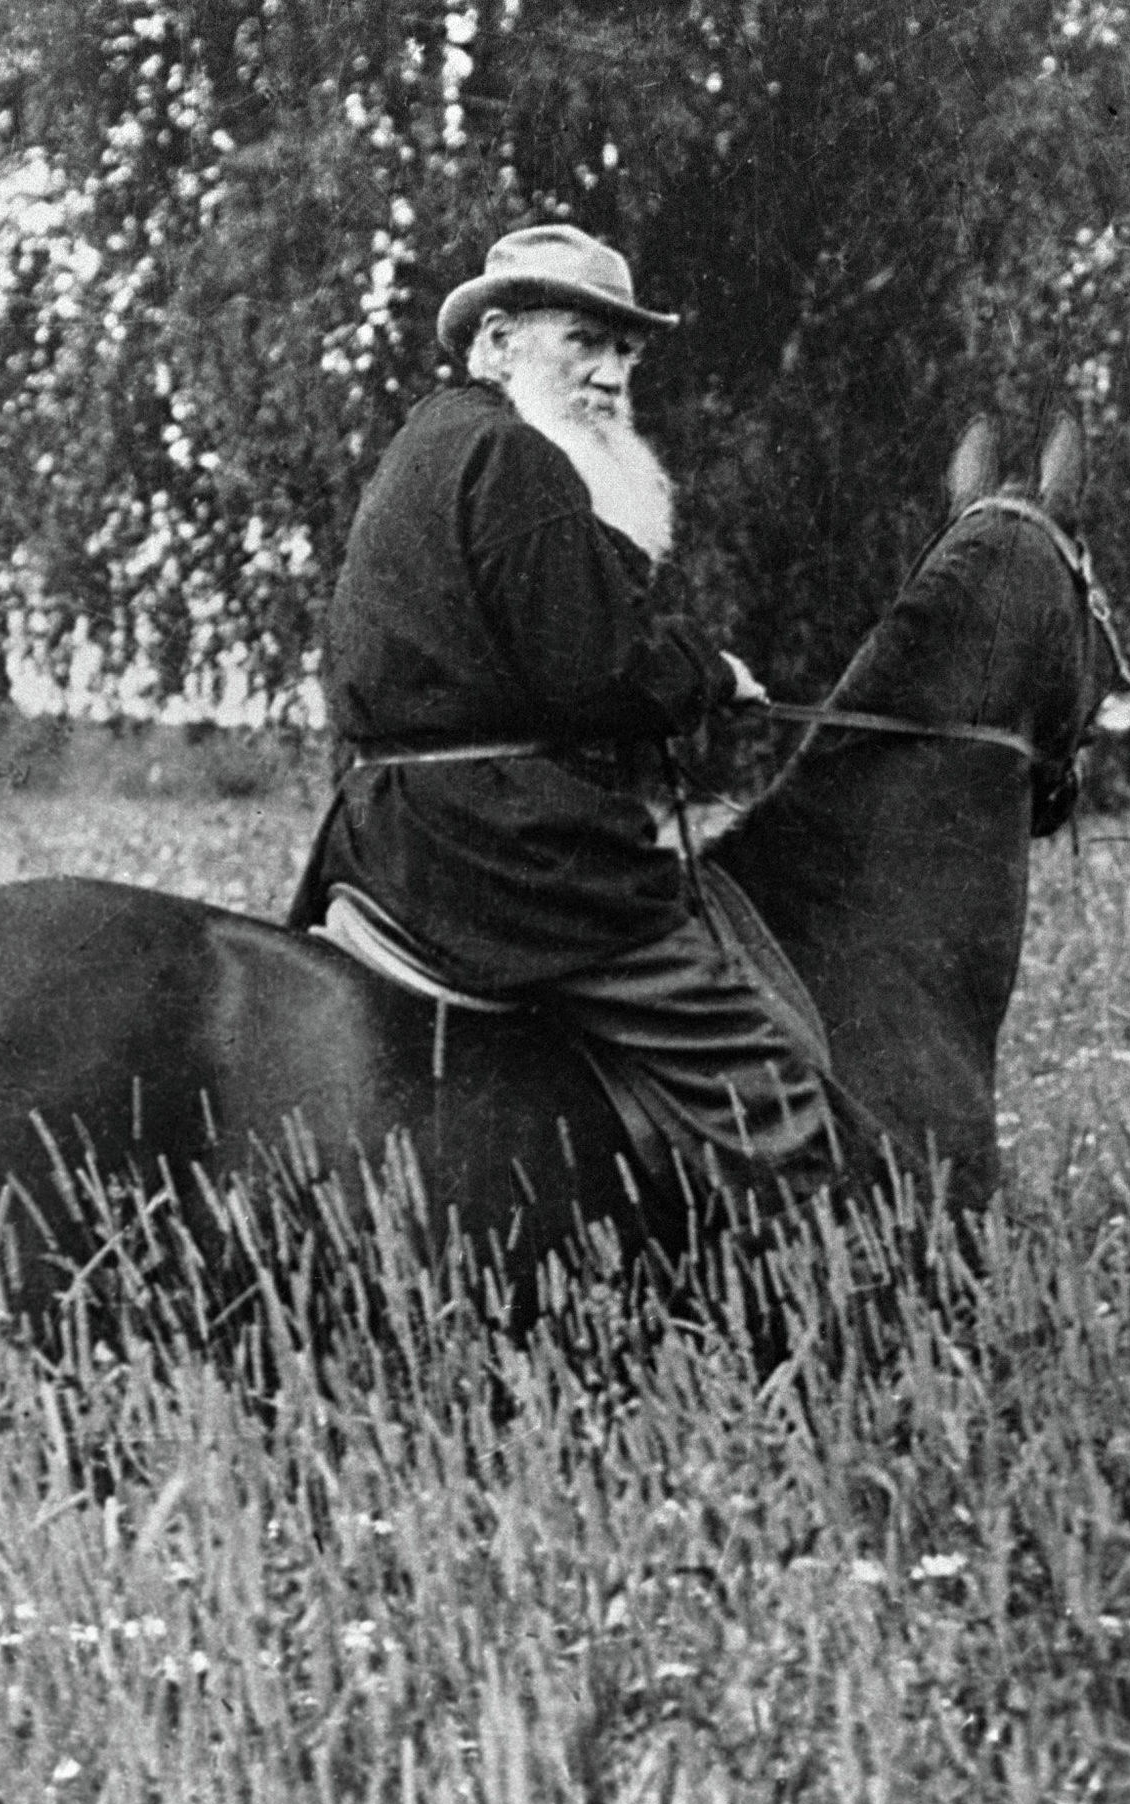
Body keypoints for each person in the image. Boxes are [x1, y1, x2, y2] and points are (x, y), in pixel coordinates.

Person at [288, 224, 849, 1202]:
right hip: (503, 844)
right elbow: (591, 673)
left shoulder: (430, 444)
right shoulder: (518, 460)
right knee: (752, 1061)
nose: (610, 373)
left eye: (624, 351)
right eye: (581, 340)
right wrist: (709, 675)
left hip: (386, 829)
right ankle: (831, 1271)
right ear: (498, 340)